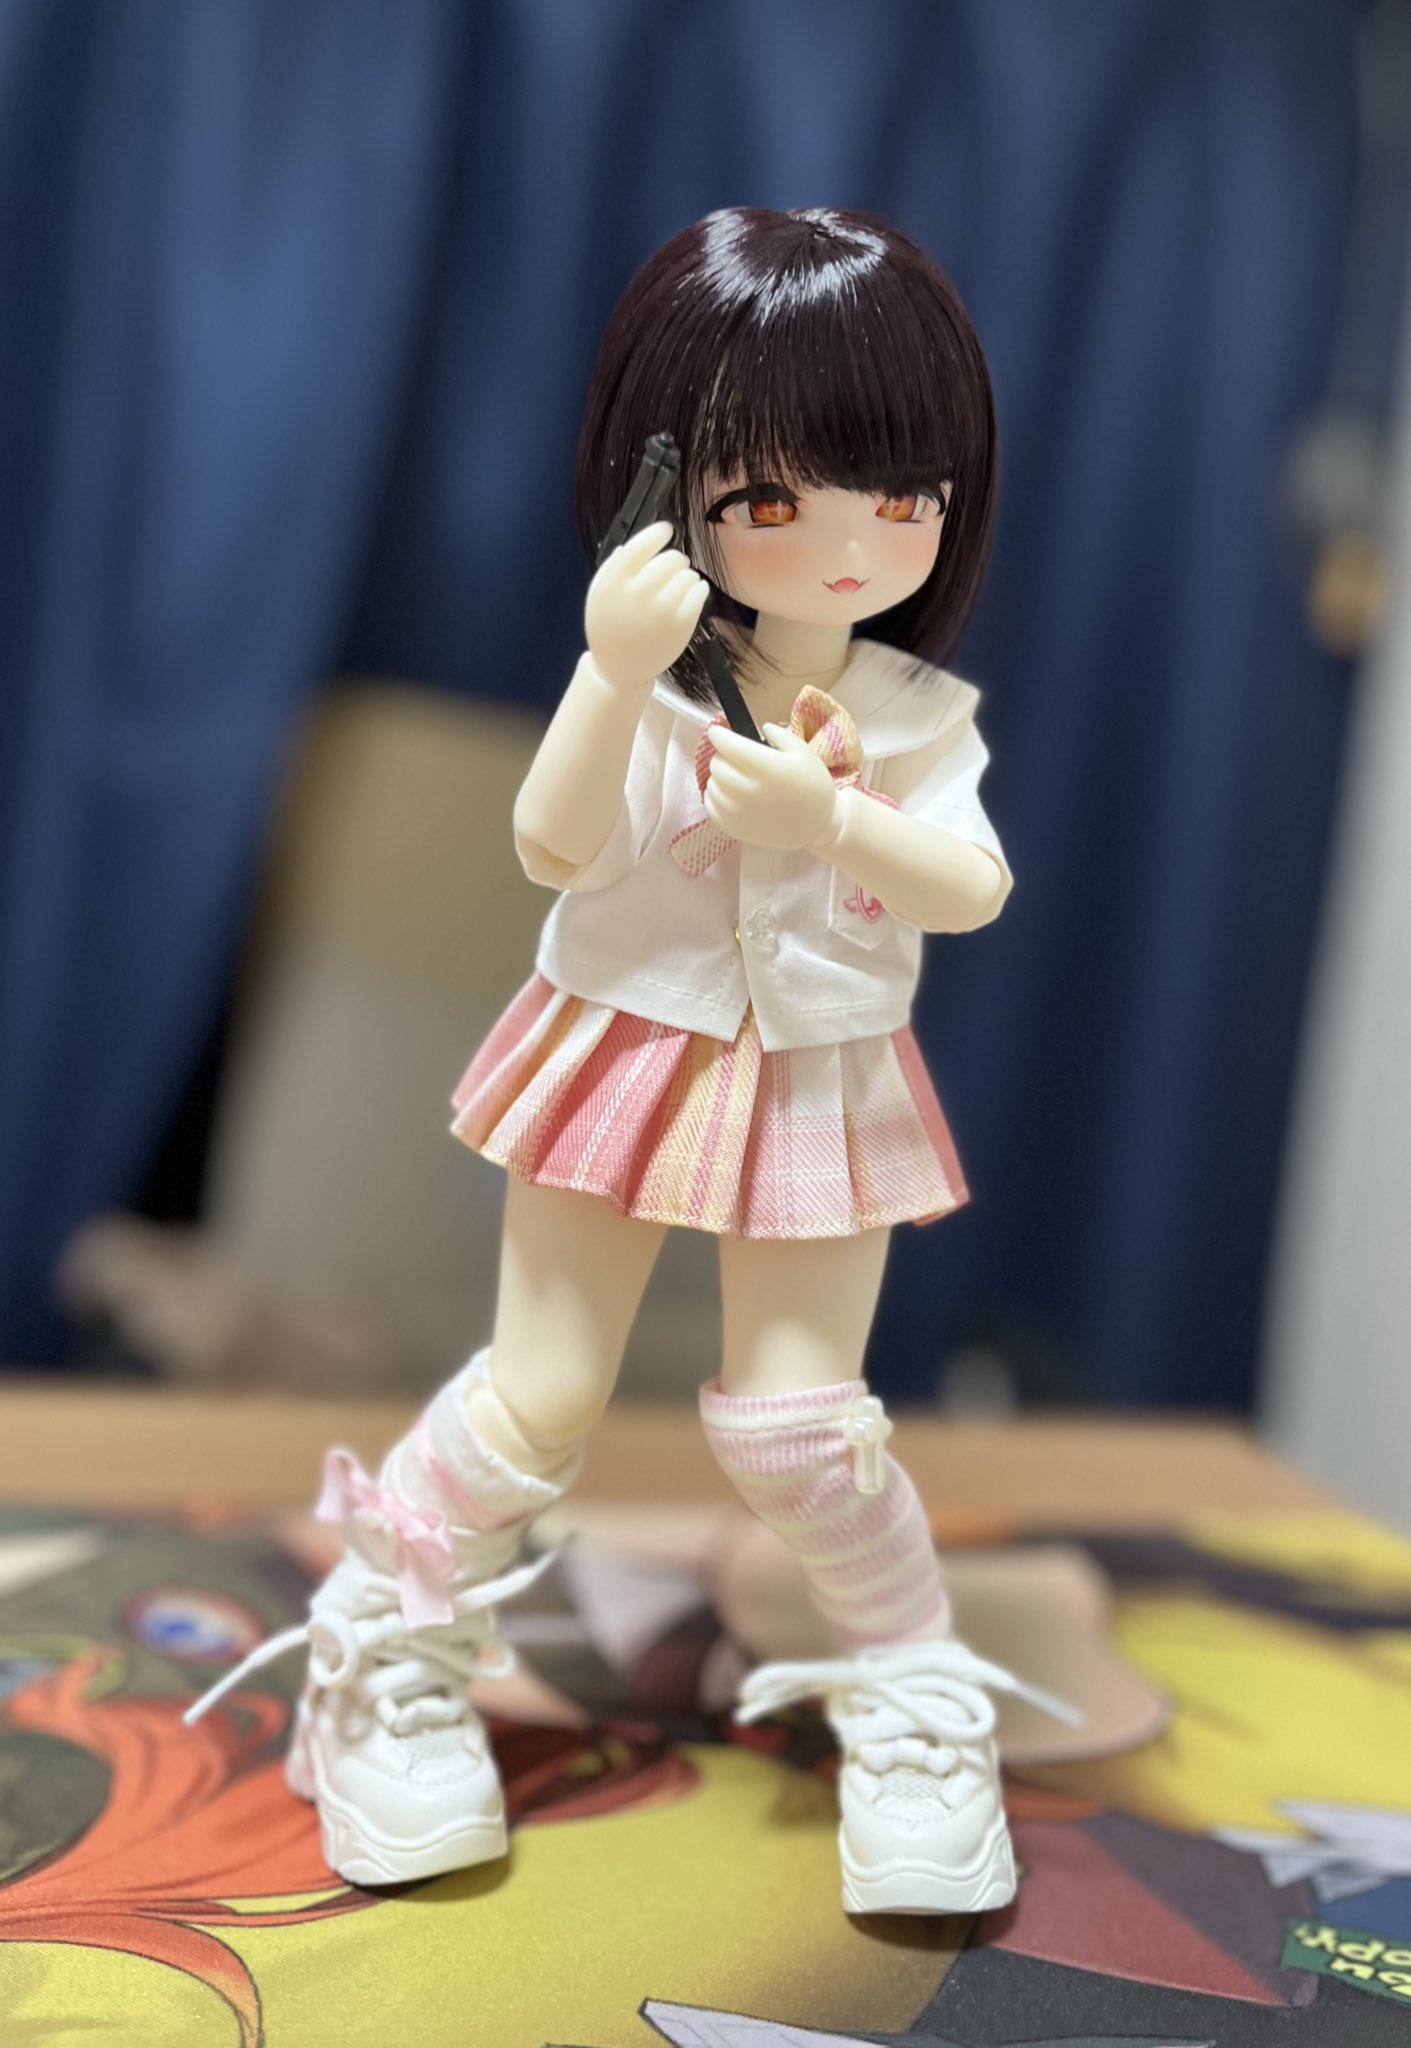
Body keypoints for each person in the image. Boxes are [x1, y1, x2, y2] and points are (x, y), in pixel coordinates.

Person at [188, 206, 1071, 1915]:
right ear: (675, 488)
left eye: (901, 496)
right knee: (541, 1392)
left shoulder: (913, 718)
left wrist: (834, 821)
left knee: (805, 1429)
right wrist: (610, 673)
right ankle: (384, 1644)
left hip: (820, 1072)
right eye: (774, 501)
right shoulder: (657, 671)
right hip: (626, 1047)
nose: (846, 543)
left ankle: (911, 1692)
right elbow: (548, 841)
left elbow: (972, 887)